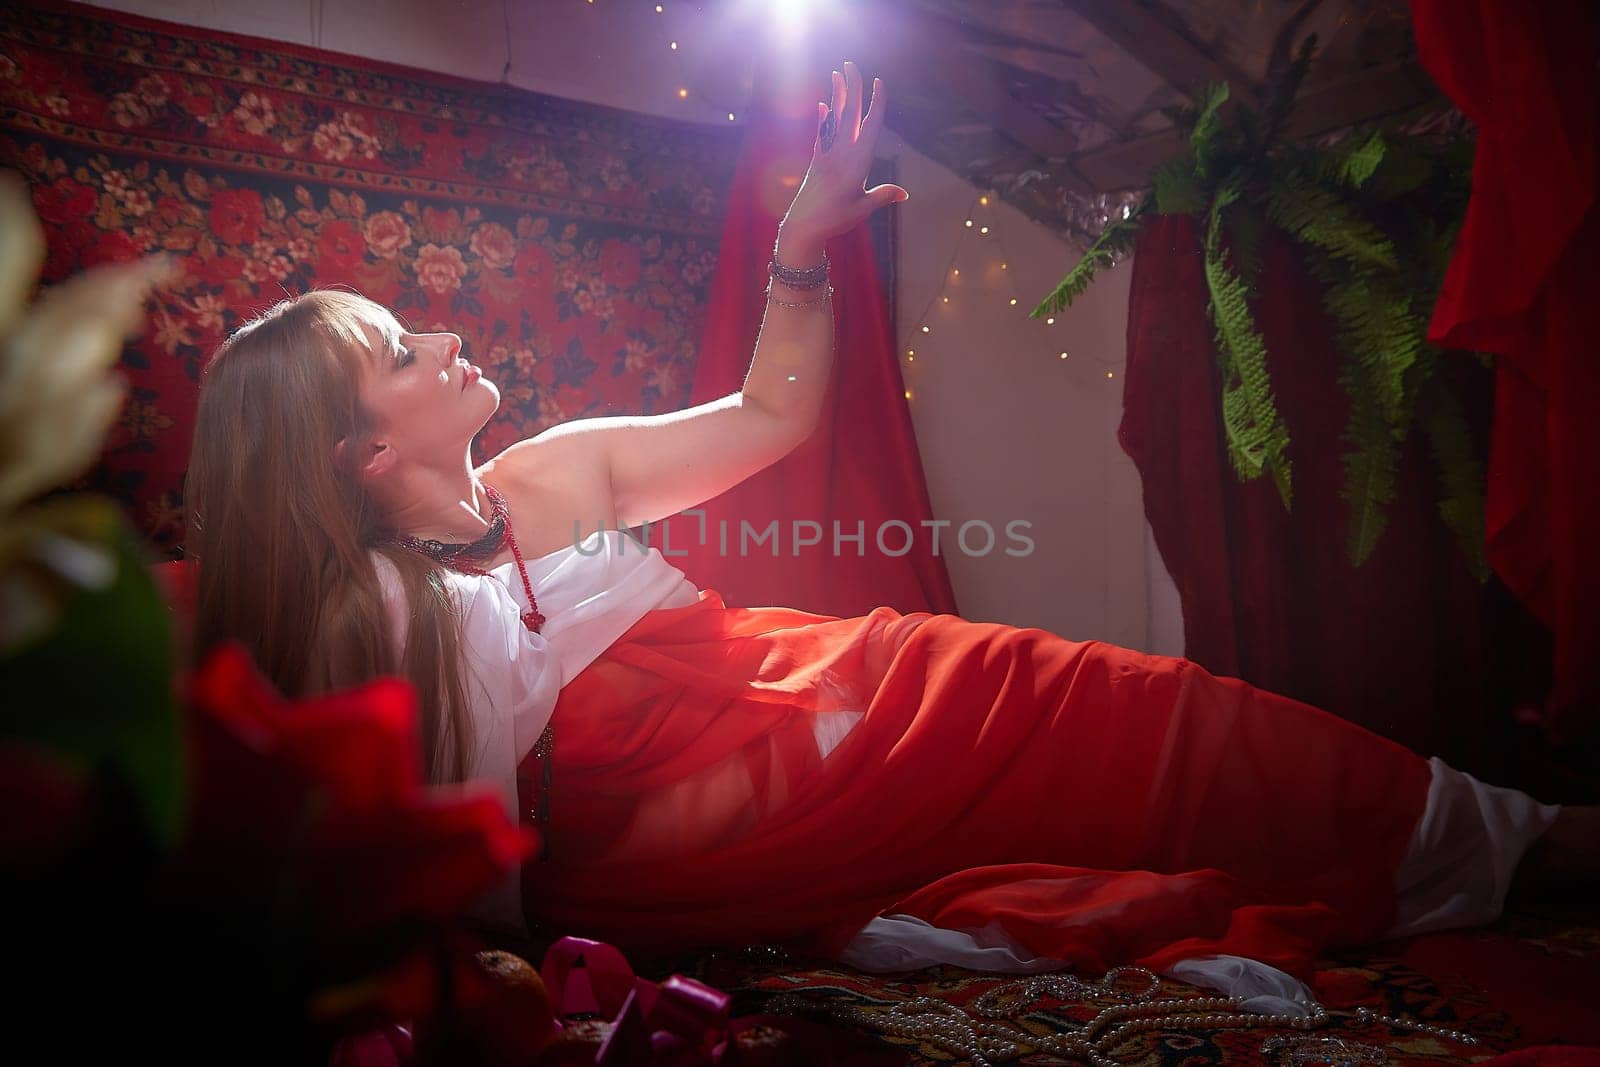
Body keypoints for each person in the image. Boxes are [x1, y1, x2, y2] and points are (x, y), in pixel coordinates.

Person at [185, 63, 1596, 996]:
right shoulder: (342, 623)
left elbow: (769, 418)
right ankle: (1504, 848)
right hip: (694, 837)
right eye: (398, 352)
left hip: (821, 698)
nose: (439, 336)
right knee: (1055, 735)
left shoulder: (560, 468)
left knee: (1106, 701)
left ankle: (1488, 838)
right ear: (361, 454)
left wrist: (802, 252)